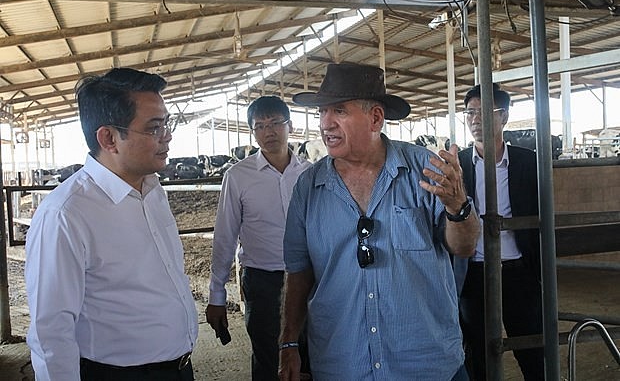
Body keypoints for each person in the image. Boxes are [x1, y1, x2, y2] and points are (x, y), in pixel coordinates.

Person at [278, 63, 480, 381]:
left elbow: (465, 246)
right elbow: (299, 272)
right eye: (322, 112)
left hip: (425, 364)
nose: (325, 124)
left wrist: (458, 205)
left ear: (375, 118)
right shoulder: (308, 187)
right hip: (342, 364)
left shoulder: (425, 171)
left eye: (339, 111)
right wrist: (288, 341)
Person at [25, 68, 199, 381]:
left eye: (167, 124)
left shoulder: (153, 190)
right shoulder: (66, 214)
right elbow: (50, 331)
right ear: (108, 138)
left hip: (179, 369)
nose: (168, 135)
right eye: (154, 127)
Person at [206, 95, 312, 380]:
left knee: (312, 356)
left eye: (276, 123)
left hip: (310, 279)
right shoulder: (238, 176)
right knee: (269, 360)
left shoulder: (309, 173)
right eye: (260, 125)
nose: (269, 132)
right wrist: (217, 294)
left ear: (290, 126)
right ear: (253, 132)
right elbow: (225, 235)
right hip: (264, 281)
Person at [455, 83, 544, 380]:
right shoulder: (458, 164)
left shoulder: (528, 163)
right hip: (473, 273)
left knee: (532, 348)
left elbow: (542, 214)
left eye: (483, 112)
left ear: (503, 117)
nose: (475, 119)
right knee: (477, 353)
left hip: (519, 270)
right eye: (469, 112)